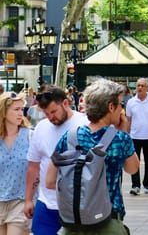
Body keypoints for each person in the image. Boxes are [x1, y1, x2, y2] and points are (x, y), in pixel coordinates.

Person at [45, 79, 139, 235]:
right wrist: (122, 131)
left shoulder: (69, 137)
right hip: (108, 222)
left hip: (73, 223)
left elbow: (49, 181)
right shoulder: (120, 139)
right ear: (110, 107)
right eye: (120, 105)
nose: (121, 109)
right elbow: (133, 168)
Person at [24, 86, 87, 235]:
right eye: (46, 114)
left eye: (53, 112)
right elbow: (34, 165)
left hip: (77, 206)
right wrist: (28, 199)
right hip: (46, 204)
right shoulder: (41, 128)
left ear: (65, 104)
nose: (50, 117)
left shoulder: (84, 124)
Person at [0, 91, 31, 235]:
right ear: (4, 112)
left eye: (22, 109)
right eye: (16, 109)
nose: (20, 113)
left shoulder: (30, 136)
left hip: (20, 200)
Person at [125, 78, 148, 195]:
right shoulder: (131, 102)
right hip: (134, 136)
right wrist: (126, 134)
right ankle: (135, 185)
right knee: (134, 162)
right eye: (138, 86)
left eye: (142, 86)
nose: (140, 88)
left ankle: (147, 184)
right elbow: (128, 120)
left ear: (147, 88)